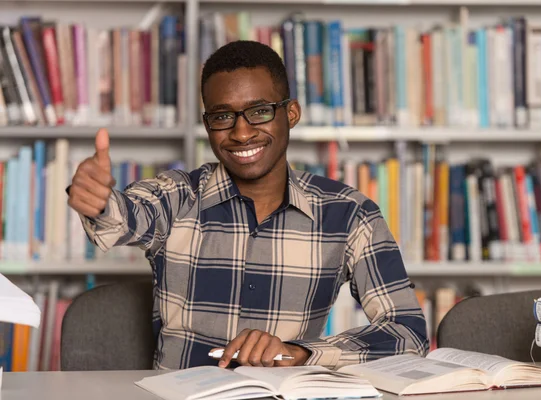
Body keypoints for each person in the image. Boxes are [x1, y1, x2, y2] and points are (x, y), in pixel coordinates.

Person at [67, 40, 428, 370]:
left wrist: (301, 352)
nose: (241, 133)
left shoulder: (349, 214)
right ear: (207, 123)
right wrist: (99, 203)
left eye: (259, 111)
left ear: (291, 114)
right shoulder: (177, 194)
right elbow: (126, 216)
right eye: (222, 116)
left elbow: (407, 332)